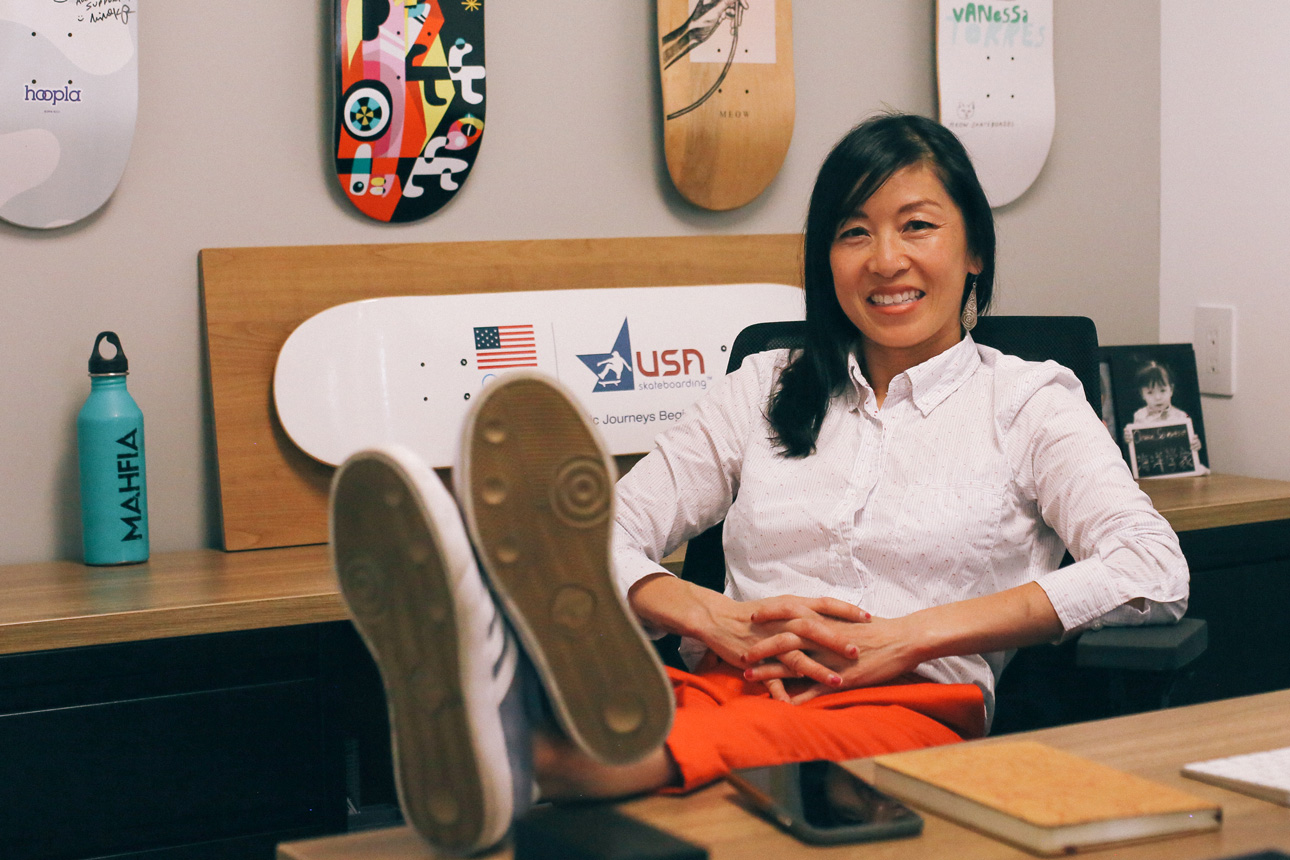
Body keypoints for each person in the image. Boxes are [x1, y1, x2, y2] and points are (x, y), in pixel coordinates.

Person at [329, 113, 1189, 856]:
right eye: (853, 233)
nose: (885, 259)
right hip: (719, 682)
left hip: (905, 711)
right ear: (826, 259)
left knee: (648, 752)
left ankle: (504, 735)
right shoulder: (766, 385)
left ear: (974, 252)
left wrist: (907, 638)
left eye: (917, 226)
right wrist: (709, 616)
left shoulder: (1028, 401)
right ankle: (502, 709)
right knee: (656, 718)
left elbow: (1152, 568)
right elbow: (602, 533)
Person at [1124, 360, 1204, 462]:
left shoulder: (1181, 416)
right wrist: (1129, 439)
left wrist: (1195, 444)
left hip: (1177, 464)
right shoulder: (1139, 416)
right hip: (1152, 464)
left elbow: (1187, 446)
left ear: (1171, 389)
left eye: (1162, 390)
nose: (1158, 397)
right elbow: (1138, 447)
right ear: (1142, 394)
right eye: (1150, 392)